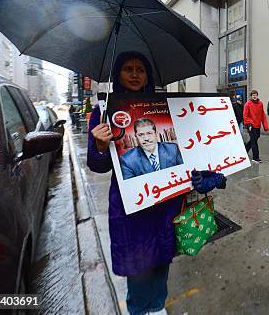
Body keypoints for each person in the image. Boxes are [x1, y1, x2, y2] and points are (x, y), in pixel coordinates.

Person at [87, 51, 225, 315]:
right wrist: (100, 145)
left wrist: (208, 175)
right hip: (132, 211)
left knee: (162, 258)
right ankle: (139, 309)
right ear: (118, 74)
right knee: (138, 269)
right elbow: (98, 165)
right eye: (129, 68)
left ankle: (158, 306)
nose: (136, 74)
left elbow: (191, 149)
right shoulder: (103, 113)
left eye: (141, 69)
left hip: (166, 206)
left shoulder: (166, 108)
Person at [119, 118, 183, 180]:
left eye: (149, 133)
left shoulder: (172, 149)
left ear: (156, 133)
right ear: (136, 136)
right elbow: (130, 187)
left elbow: (183, 173)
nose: (146, 138)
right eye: (141, 135)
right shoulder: (127, 160)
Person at [243, 89, 268, 163]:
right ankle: (255, 157)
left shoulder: (260, 103)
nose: (254, 96)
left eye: (256, 95)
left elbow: (263, 115)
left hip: (257, 125)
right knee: (254, 142)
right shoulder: (247, 104)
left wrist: (265, 126)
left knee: (255, 139)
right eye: (253, 95)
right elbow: (245, 116)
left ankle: (245, 150)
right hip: (250, 125)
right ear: (251, 96)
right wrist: (249, 123)